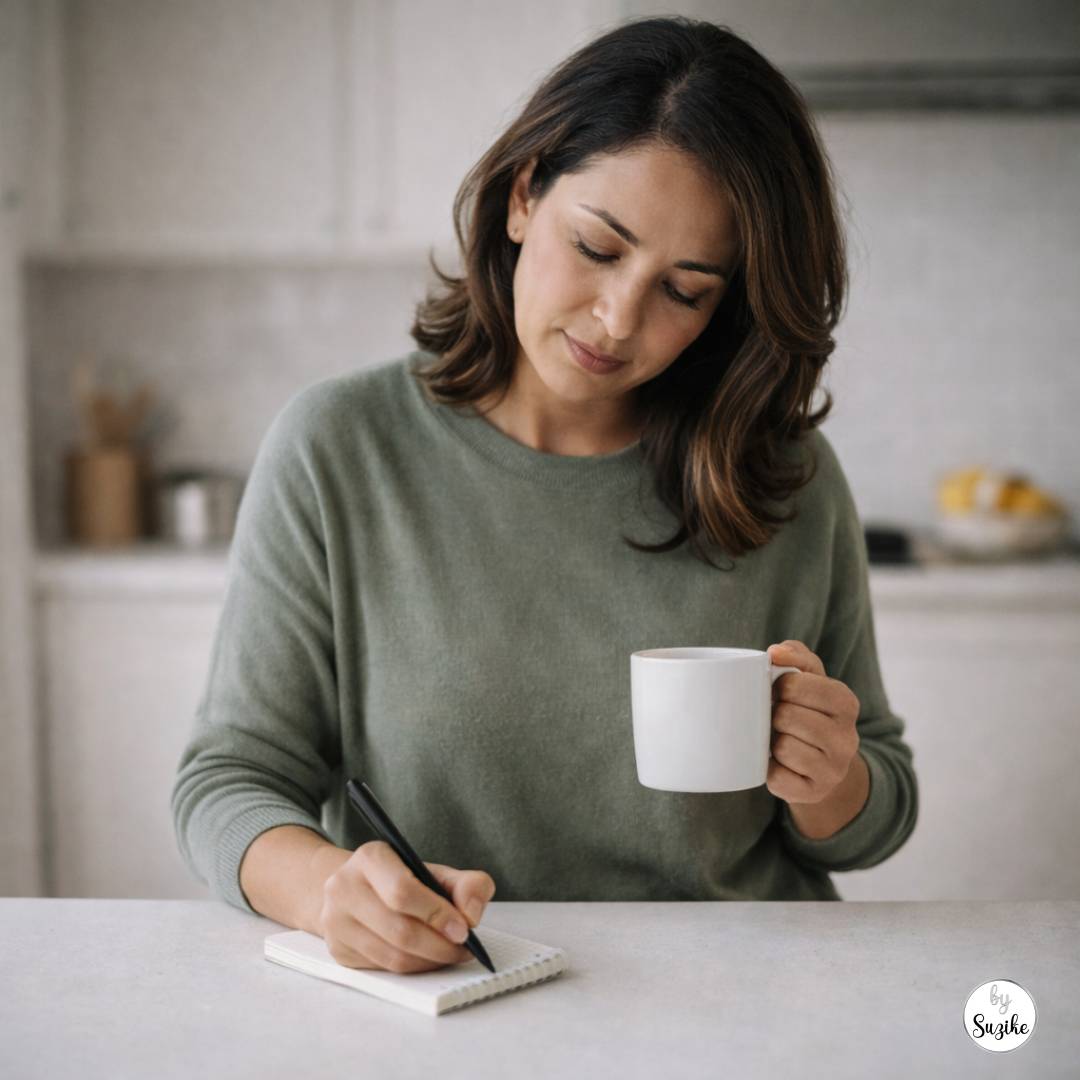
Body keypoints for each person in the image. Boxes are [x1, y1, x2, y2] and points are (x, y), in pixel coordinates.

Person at [171, 16, 918, 975]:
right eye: (599, 248)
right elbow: (227, 780)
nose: (618, 320)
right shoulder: (339, 449)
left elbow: (874, 816)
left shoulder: (784, 478)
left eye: (683, 292)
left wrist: (832, 780)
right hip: (459, 989)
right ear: (523, 195)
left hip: (747, 992)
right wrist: (331, 896)